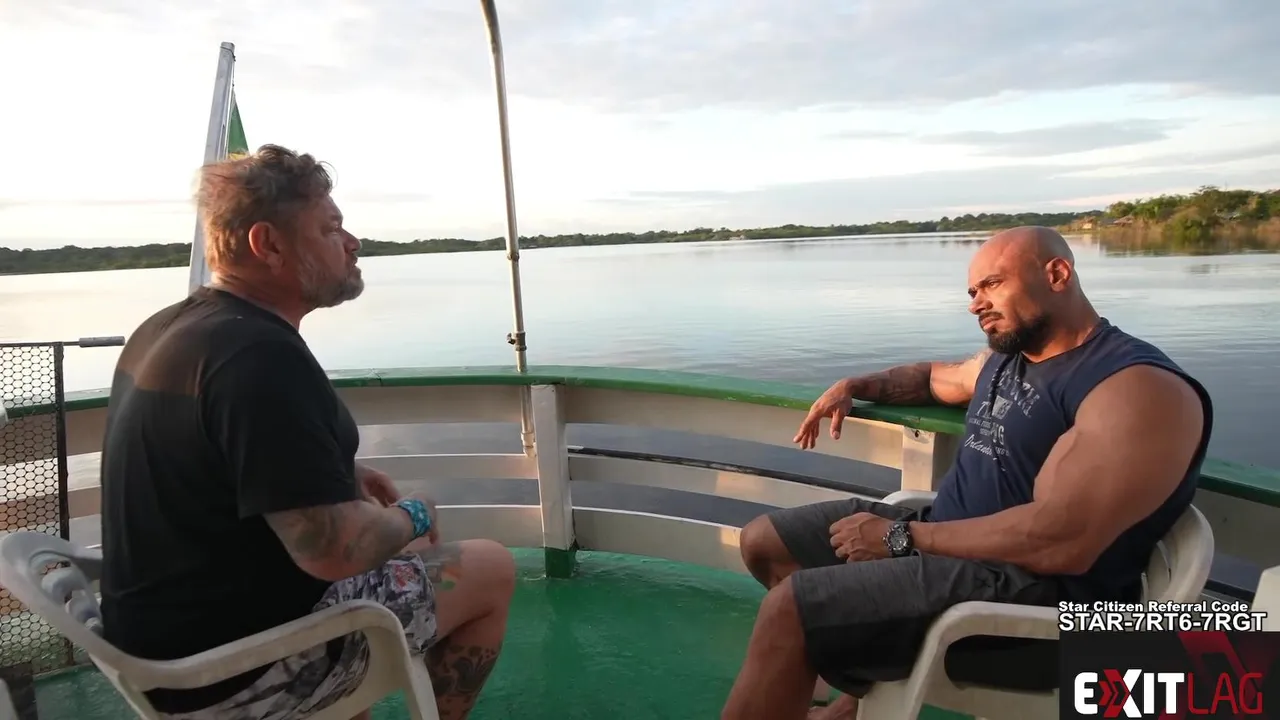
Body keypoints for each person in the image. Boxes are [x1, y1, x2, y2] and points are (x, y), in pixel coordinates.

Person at [720, 226, 1213, 720]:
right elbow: (932, 379)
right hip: (947, 541)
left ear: (1057, 274)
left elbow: (1061, 542)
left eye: (993, 284)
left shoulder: (1134, 388)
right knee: (764, 541)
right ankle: (849, 686)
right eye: (973, 292)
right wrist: (854, 385)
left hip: (1033, 602)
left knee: (791, 609)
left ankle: (835, 665)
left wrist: (900, 538)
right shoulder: (1006, 360)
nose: (977, 304)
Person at [99, 144, 516, 720]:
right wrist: (418, 511)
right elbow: (335, 552)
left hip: (160, 654)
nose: (352, 242)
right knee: (489, 566)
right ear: (268, 245)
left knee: (400, 555)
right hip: (231, 678)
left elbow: (217, 455)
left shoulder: (170, 328)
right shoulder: (258, 355)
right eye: (331, 228)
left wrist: (335, 468)